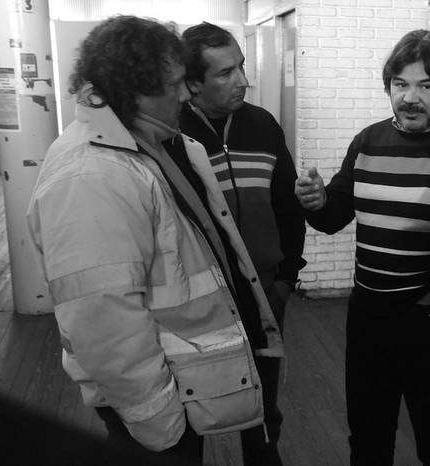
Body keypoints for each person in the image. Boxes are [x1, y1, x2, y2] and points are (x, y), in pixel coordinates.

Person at [26, 16, 283, 465]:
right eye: (176, 84)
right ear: (134, 90)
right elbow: (102, 323)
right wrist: (159, 420)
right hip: (154, 410)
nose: (186, 95)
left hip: (180, 382)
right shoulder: (92, 175)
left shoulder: (151, 146)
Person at [295, 29, 430, 466]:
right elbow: (333, 217)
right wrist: (316, 201)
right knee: (367, 434)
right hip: (368, 315)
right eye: (401, 84)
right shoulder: (368, 141)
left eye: (427, 85)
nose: (411, 97)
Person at [179, 22, 306, 465]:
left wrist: (288, 277)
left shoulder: (263, 125)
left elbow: (288, 207)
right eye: (226, 73)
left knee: (264, 405)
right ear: (192, 83)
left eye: (243, 67)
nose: (243, 80)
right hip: (202, 303)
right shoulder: (171, 137)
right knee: (192, 407)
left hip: (267, 291)